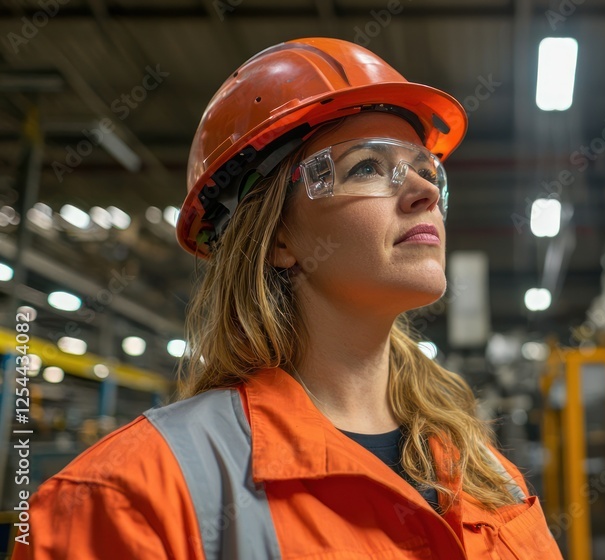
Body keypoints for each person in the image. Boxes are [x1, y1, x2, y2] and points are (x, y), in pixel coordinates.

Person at [12, 37, 563, 559]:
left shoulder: (485, 475)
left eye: (426, 170)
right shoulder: (126, 498)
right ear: (278, 238)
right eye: (368, 167)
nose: (423, 191)